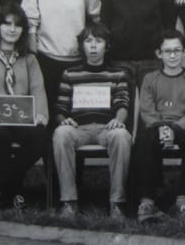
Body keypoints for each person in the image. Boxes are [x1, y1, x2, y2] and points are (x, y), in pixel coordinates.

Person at [0, 2, 49, 210]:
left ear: (23, 30)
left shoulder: (29, 59)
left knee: (40, 136)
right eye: (7, 24)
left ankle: (5, 188)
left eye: (17, 25)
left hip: (22, 118)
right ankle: (13, 190)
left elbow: (38, 89)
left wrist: (41, 114)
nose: (12, 29)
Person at [52, 22, 132, 219]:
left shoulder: (118, 74)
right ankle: (69, 202)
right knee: (61, 133)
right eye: (88, 41)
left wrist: (119, 120)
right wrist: (64, 120)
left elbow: (123, 103)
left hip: (106, 128)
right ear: (82, 45)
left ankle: (117, 203)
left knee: (121, 136)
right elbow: (60, 107)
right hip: (79, 129)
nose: (93, 46)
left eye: (99, 41)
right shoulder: (70, 74)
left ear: (107, 45)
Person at [21, 0, 101, 121]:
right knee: (47, 114)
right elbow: (30, 24)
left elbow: (97, 14)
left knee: (76, 115)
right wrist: (34, 58)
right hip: (46, 59)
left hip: (78, 61)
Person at [134, 30, 185, 222]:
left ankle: (183, 199)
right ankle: (147, 201)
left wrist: (173, 129)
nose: (172, 55)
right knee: (143, 140)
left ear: (184, 52)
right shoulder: (150, 79)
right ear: (159, 54)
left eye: (177, 50)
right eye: (167, 51)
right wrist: (161, 127)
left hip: (183, 127)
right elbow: (147, 111)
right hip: (157, 126)